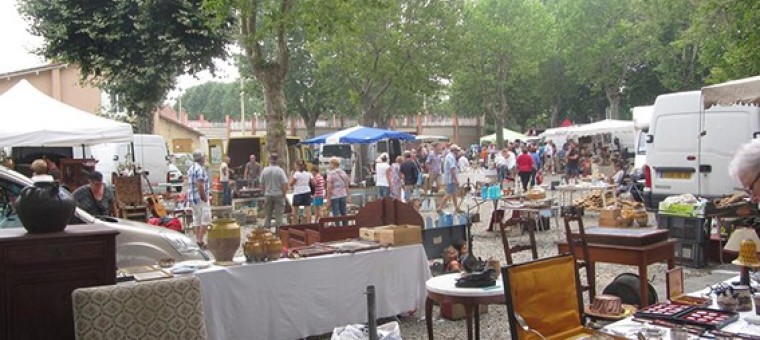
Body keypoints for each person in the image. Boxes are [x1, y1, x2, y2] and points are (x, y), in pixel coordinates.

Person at [186, 150, 210, 248]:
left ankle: (197, 240)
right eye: (204, 157)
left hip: (192, 198)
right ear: (201, 158)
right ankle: (200, 241)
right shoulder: (199, 169)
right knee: (205, 218)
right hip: (200, 198)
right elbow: (200, 184)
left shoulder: (191, 168)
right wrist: (204, 197)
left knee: (197, 219)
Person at [260, 154, 288, 231]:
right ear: (277, 160)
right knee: (279, 217)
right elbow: (285, 184)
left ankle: (266, 234)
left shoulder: (265, 170)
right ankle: (279, 234)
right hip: (279, 195)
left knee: (267, 216)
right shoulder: (280, 171)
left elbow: (261, 184)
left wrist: (264, 194)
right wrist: (284, 194)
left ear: (269, 160)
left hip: (268, 195)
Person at [437, 144, 462, 213]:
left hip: (449, 178)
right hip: (450, 179)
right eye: (457, 150)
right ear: (454, 150)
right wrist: (455, 180)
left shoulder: (449, 156)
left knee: (454, 194)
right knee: (449, 193)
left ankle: (456, 207)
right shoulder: (451, 157)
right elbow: (452, 169)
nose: (458, 152)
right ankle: (440, 208)